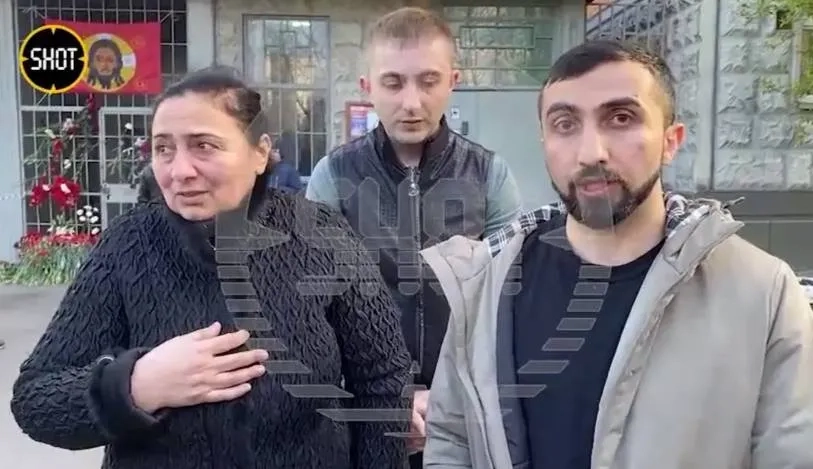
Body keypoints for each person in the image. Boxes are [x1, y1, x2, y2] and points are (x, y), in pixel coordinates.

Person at [420, 40, 813, 469]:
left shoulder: (762, 294)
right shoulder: (488, 284)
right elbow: (452, 439)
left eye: (621, 118)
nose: (591, 152)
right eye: (565, 124)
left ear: (671, 141)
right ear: (544, 141)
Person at [10, 69, 413, 469]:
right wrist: (137, 385)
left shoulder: (323, 235)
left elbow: (382, 381)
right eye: (163, 149)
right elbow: (35, 399)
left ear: (259, 153)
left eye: (203, 145)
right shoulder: (127, 246)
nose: (179, 170)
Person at [304, 7, 522, 466]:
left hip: (466, 414)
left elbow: (507, 302)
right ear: (367, 86)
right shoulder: (333, 176)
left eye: (428, 81)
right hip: (365, 411)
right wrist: (389, 397)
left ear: (452, 81)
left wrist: (449, 399)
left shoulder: (490, 175)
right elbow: (317, 307)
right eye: (393, 82)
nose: (411, 102)